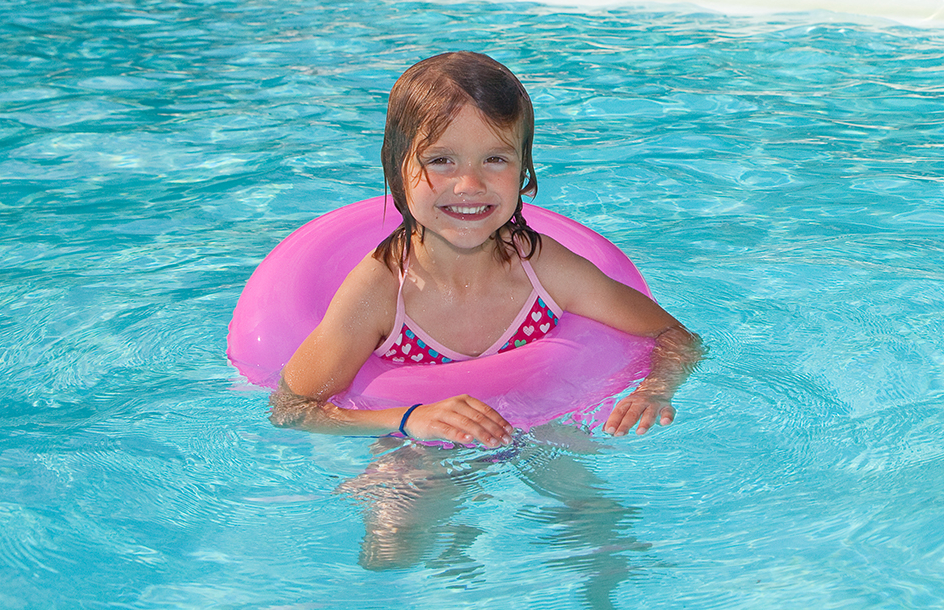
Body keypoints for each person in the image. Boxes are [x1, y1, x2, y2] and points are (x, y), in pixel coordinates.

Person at [270, 51, 701, 448]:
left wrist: (655, 390)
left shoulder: (543, 268)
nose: (470, 186)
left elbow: (676, 336)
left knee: (592, 511)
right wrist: (408, 418)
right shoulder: (381, 291)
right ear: (396, 169)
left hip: (539, 420)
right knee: (399, 513)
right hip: (417, 445)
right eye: (440, 160)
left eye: (495, 159)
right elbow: (291, 410)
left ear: (523, 170)